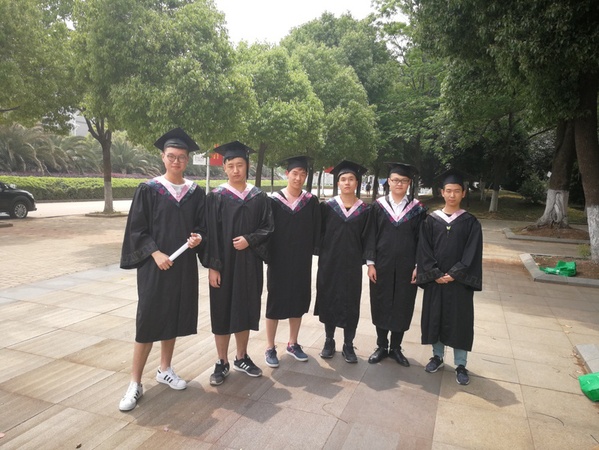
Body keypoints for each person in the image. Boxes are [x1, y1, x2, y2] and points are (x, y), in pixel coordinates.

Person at [119, 128, 206, 411]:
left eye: (181, 157)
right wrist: (155, 253)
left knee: (173, 316)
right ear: (163, 157)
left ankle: (165, 369)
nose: (176, 161)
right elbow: (137, 229)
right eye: (171, 156)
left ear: (187, 159)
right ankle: (134, 383)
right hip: (155, 267)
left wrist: (199, 238)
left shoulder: (195, 193)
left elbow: (202, 225)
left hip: (182, 265)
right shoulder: (149, 189)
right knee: (148, 321)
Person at [202, 141, 274, 386]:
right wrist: (213, 266)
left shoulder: (259, 197)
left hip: (249, 264)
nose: (235, 170)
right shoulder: (215, 197)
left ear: (247, 166)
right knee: (221, 310)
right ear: (224, 167)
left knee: (245, 309)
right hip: (223, 265)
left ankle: (241, 357)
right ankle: (221, 361)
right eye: (231, 165)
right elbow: (209, 234)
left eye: (240, 165)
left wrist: (249, 240)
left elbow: (268, 228)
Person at [416, 169, 483, 385]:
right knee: (435, 317)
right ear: (442, 192)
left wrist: (454, 274)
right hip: (436, 281)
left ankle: (461, 364)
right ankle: (437, 357)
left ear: (463, 193)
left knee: (459, 321)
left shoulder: (471, 222)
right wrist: (435, 274)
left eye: (456, 191)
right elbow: (424, 250)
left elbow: (472, 253)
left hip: (459, 284)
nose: (452, 195)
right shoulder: (430, 220)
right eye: (448, 191)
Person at [364, 163, 427, 367]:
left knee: (403, 304)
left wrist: (418, 265)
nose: (399, 184)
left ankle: (396, 348)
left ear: (409, 183)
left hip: (407, 267)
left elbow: (422, 240)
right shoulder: (378, 206)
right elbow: (371, 235)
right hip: (381, 265)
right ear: (389, 182)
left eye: (404, 180)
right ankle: (382, 346)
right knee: (380, 302)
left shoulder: (418, 209)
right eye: (395, 180)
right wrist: (370, 264)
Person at [264, 156, 321, 367]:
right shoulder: (273, 200)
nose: (298, 178)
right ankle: (270, 347)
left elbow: (316, 229)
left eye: (302, 174)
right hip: (278, 260)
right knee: (275, 302)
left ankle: (293, 343)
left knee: (298, 300)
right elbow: (266, 230)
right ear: (287, 174)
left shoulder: (311, 201)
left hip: (301, 260)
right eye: (295, 173)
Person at [315, 160, 369, 363]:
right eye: (343, 179)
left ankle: (348, 344)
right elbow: (319, 233)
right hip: (329, 263)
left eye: (351, 179)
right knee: (328, 299)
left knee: (350, 302)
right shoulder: (327, 207)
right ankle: (329, 340)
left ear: (357, 182)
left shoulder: (365, 210)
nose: (347, 182)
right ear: (338, 183)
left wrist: (368, 261)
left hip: (352, 265)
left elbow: (368, 238)